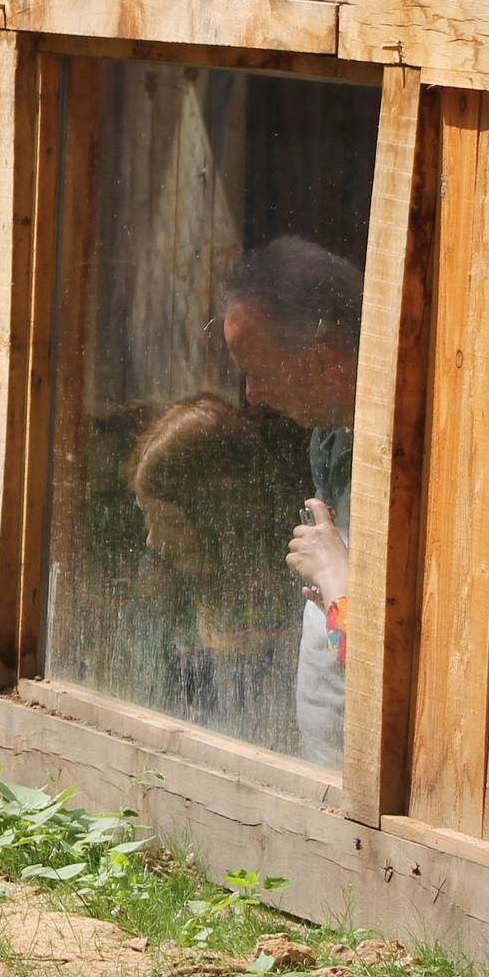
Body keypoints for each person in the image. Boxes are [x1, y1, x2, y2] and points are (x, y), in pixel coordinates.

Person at [220, 235, 362, 770]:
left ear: (326, 362)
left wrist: (337, 579)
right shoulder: (330, 435)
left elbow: (383, 658)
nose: (251, 394)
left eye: (261, 370)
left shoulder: (412, 460)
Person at [123, 393, 308, 751]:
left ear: (220, 519)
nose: (151, 540)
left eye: (169, 521)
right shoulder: (163, 580)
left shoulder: (281, 592)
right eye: (148, 517)